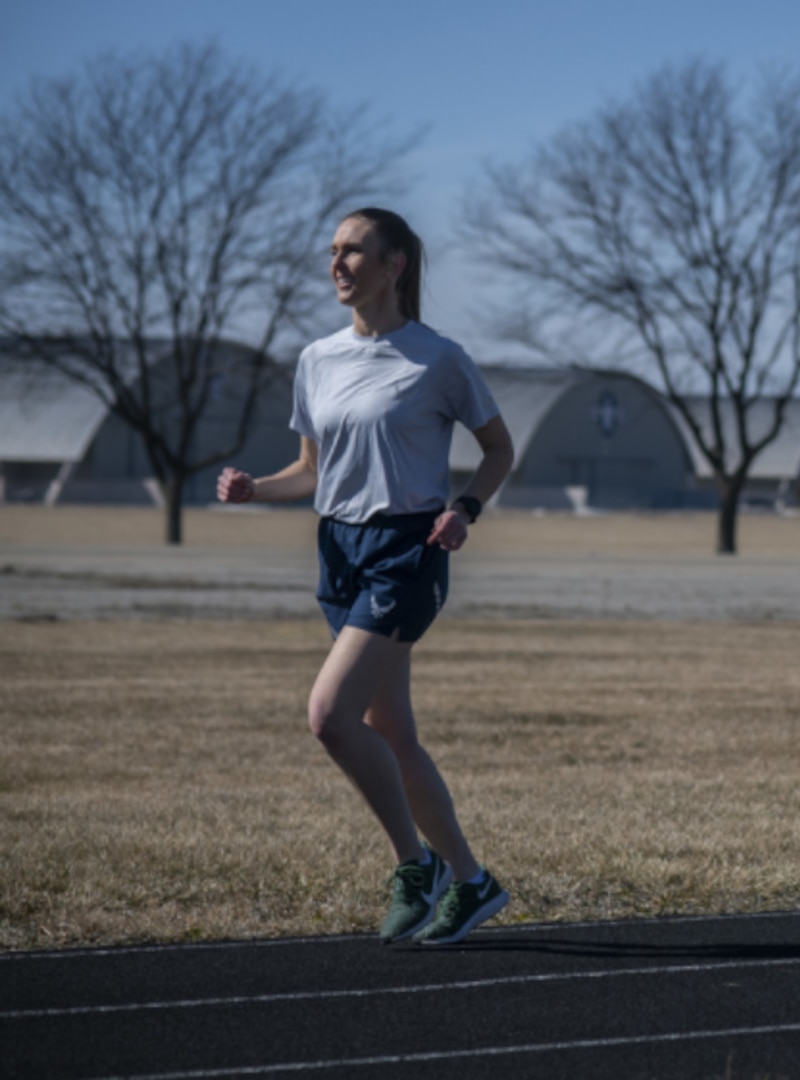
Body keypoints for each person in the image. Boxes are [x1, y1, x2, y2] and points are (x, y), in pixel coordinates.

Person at [218, 207, 516, 946]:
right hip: (338, 551)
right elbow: (311, 473)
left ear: (395, 265)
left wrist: (465, 509)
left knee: (328, 717)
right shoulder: (317, 359)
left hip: (406, 551)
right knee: (394, 736)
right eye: (333, 252)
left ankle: (416, 867)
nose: (337, 265)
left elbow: (498, 450)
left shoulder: (437, 358)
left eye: (354, 251)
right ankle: (473, 882)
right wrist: (257, 487)